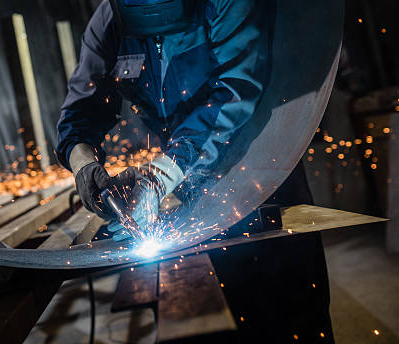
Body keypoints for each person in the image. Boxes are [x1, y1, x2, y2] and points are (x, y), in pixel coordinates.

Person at [56, 0, 334, 342]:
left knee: (298, 314)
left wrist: (159, 178)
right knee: (242, 312)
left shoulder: (224, 3)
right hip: (196, 186)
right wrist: (83, 163)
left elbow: (235, 91)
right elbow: (81, 108)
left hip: (266, 170)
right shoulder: (109, 22)